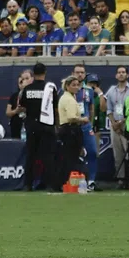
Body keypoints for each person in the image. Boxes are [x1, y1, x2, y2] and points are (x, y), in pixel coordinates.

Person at [19, 63, 59, 191]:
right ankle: (51, 185)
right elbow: (56, 108)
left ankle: (28, 184)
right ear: (45, 72)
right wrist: (57, 125)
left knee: (31, 156)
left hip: (32, 126)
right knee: (48, 156)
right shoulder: (50, 88)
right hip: (47, 125)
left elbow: (22, 107)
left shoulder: (27, 89)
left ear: (33, 73)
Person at [104, 65, 129, 187]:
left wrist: (122, 122)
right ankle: (121, 180)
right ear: (116, 75)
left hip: (128, 125)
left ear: (127, 75)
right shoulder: (111, 90)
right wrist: (114, 123)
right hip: (115, 126)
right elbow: (109, 109)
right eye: (119, 72)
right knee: (118, 154)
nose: (121, 74)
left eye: (123, 72)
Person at [56, 74, 87, 183]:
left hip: (66, 129)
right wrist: (82, 119)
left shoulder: (67, 97)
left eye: (77, 85)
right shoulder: (69, 99)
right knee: (71, 158)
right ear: (67, 86)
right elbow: (71, 117)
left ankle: (64, 181)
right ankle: (65, 181)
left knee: (68, 157)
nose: (76, 87)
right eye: (73, 85)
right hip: (71, 129)